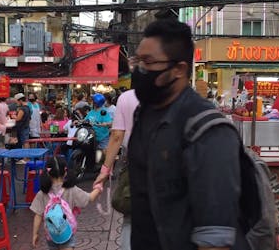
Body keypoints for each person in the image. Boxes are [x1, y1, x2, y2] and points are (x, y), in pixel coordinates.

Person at [126, 19, 248, 250]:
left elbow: (215, 237)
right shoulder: (144, 113)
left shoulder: (207, 130)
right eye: (137, 61)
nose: (139, 70)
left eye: (148, 62)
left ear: (179, 70)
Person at [93, 89, 138, 250]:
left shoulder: (126, 98)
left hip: (134, 162)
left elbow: (117, 136)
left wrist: (104, 171)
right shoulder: (170, 92)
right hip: (166, 165)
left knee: (130, 218)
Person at [30, 157, 102, 249]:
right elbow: (89, 198)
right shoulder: (72, 190)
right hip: (67, 233)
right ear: (65, 172)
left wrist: (35, 234)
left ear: (47, 173)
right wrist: (99, 187)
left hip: (51, 235)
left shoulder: (43, 193)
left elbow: (38, 215)